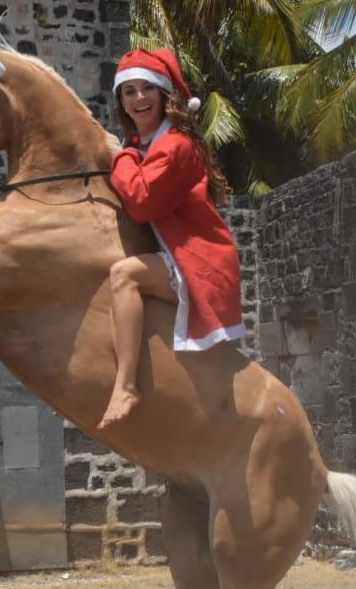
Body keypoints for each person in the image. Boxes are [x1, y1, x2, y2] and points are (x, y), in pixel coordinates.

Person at [97, 48, 246, 431]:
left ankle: (127, 386)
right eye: (129, 92)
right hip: (177, 253)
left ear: (165, 95)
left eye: (147, 88)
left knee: (124, 276)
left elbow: (143, 203)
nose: (139, 99)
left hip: (201, 261)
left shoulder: (176, 145)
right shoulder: (149, 146)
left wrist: (121, 158)